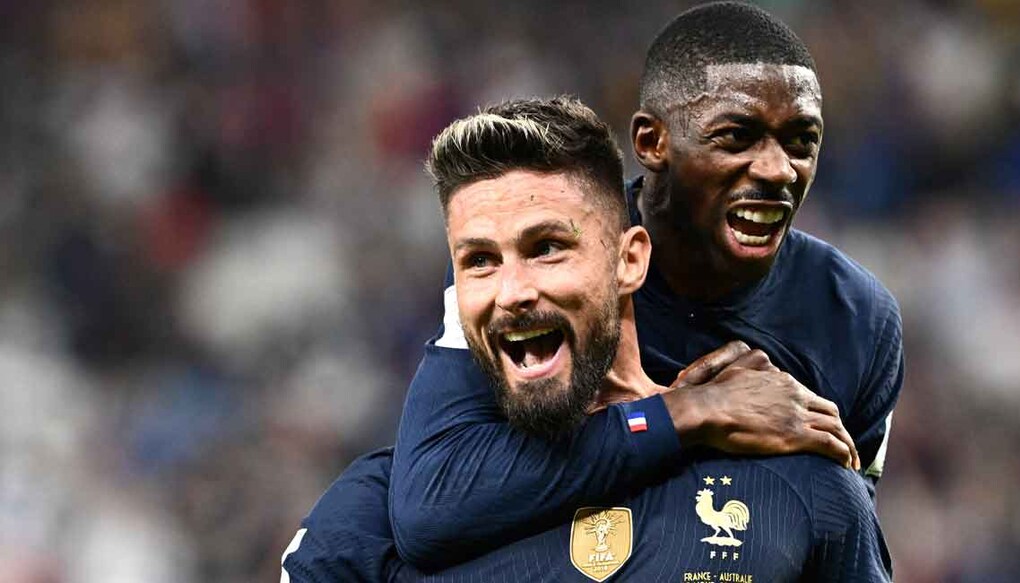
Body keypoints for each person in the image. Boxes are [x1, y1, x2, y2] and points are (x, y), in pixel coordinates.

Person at [283, 96, 890, 581]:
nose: (512, 290)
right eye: (480, 261)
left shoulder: (802, 495)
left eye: (547, 248)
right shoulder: (367, 521)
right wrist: (676, 415)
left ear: (629, 260)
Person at [387, 0, 904, 568]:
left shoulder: (858, 321)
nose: (778, 169)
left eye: (801, 141)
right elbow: (433, 503)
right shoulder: (535, 270)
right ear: (652, 142)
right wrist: (690, 413)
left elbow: (833, 534)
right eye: (737, 137)